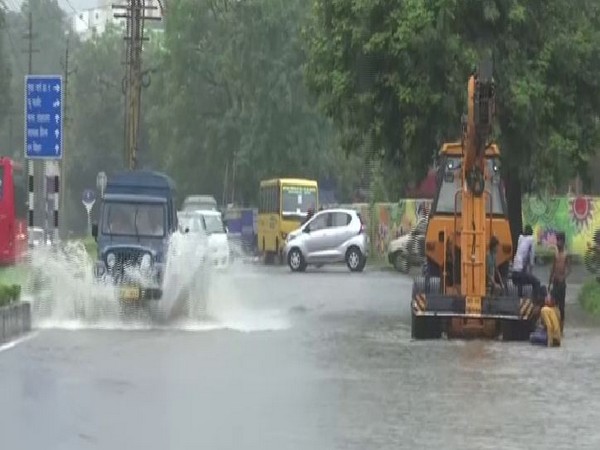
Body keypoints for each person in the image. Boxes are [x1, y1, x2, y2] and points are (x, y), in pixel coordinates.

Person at [511, 224, 541, 302]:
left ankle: (519, 298)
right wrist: (531, 271)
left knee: (521, 279)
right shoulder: (531, 240)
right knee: (536, 282)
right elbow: (531, 257)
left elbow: (521, 253)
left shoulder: (520, 238)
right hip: (520, 271)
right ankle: (535, 301)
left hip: (514, 272)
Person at [549, 232, 570, 333]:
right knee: (553, 304)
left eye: (559, 240)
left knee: (561, 306)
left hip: (562, 283)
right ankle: (554, 326)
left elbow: (569, 269)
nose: (558, 243)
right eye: (557, 240)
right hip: (555, 282)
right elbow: (552, 269)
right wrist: (549, 284)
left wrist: (563, 277)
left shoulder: (566, 254)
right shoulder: (555, 254)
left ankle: (561, 329)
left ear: (563, 242)